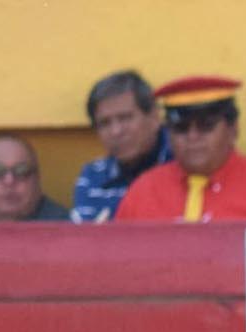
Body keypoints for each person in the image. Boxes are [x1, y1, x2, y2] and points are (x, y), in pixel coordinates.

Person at [115, 76, 246, 223]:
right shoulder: (143, 193)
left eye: (206, 125)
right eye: (181, 128)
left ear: (233, 129)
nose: (193, 137)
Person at [72, 69, 172, 223]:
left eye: (125, 118)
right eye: (105, 123)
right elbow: (84, 241)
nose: (116, 132)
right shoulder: (93, 177)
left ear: (154, 117)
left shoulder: (183, 162)